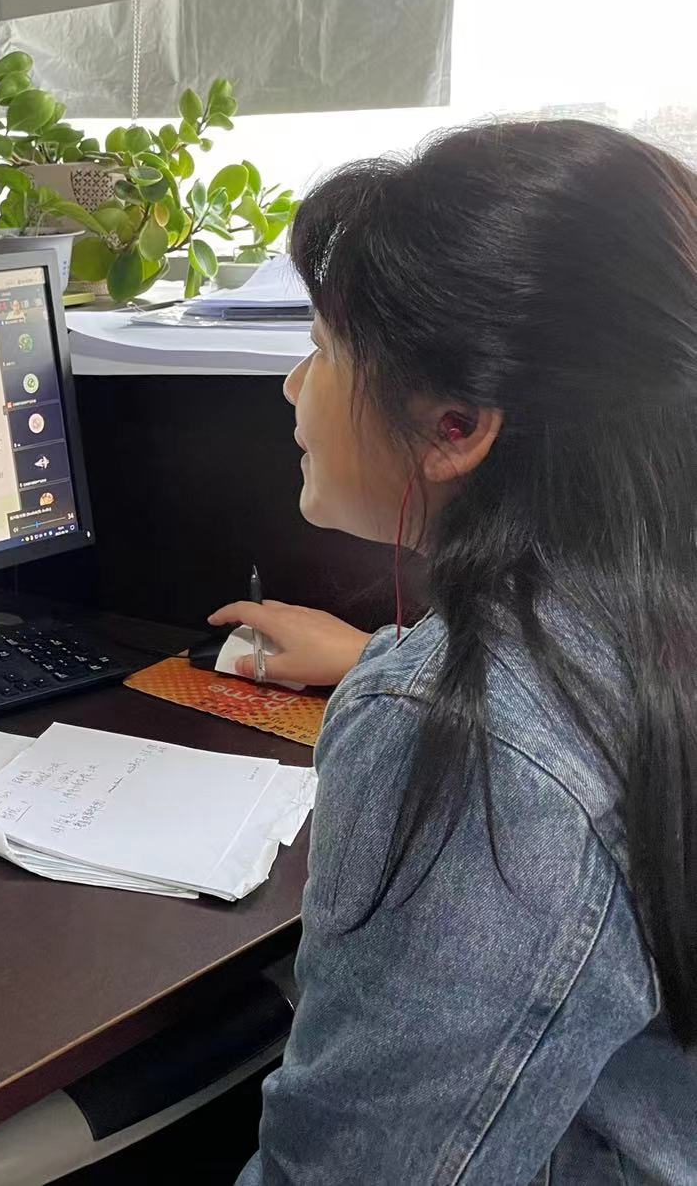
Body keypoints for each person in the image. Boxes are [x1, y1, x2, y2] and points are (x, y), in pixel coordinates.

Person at [213, 121, 697, 1183]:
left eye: (323, 347)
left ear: (455, 425)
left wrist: (432, 696)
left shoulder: (469, 745)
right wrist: (377, 656)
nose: (293, 387)